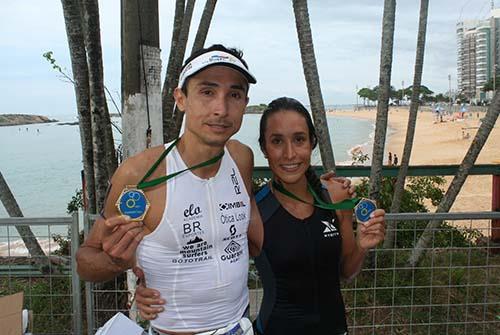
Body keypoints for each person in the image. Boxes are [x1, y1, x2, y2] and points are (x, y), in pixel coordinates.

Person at [135, 97, 386, 334]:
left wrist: (362, 246)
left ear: (312, 143)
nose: (289, 154)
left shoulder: (335, 197)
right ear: (264, 148)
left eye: (299, 140)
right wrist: (150, 287)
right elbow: (203, 258)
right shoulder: (252, 211)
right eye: (277, 141)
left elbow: (345, 273)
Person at [76, 44, 265, 334]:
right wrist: (116, 262)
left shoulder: (241, 158)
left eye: (234, 95)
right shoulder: (140, 173)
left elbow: (242, 237)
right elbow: (85, 262)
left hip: (240, 324)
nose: (221, 108)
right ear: (181, 98)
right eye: (207, 91)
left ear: (245, 102)